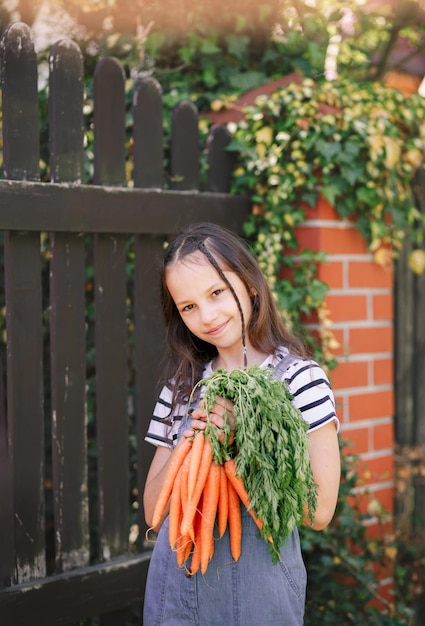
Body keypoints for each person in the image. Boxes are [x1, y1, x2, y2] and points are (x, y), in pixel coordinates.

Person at [143, 222, 340, 626]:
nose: (207, 316)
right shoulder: (181, 389)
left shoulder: (300, 380)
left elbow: (318, 511)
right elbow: (152, 512)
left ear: (250, 284)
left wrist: (244, 438)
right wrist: (188, 444)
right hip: (176, 599)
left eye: (217, 293)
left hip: (259, 602)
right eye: (189, 306)